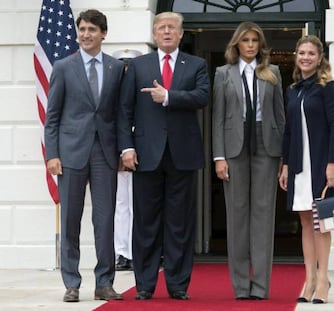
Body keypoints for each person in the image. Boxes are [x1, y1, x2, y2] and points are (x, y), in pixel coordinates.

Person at [117, 12, 210, 300]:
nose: (167, 32)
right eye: (161, 28)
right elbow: (124, 110)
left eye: (172, 28)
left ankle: (178, 284)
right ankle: (144, 284)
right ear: (154, 34)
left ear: (181, 34)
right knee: (145, 222)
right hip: (146, 155)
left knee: (179, 224)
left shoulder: (196, 64)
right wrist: (127, 147)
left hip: (182, 154)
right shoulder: (138, 65)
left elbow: (203, 96)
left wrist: (169, 96)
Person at [44, 9, 125, 302]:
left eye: (92, 29)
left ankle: (104, 282)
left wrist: (123, 149)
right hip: (70, 155)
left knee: (105, 222)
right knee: (70, 220)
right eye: (82, 29)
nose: (86, 34)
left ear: (103, 33)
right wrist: (52, 155)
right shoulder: (64, 67)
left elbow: (119, 113)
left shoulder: (117, 68)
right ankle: (72, 283)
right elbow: (51, 118)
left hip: (104, 153)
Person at [212, 21, 285, 300]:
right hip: (234, 146)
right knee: (237, 215)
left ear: (260, 44)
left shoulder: (273, 72)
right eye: (246, 40)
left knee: (264, 216)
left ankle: (261, 286)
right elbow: (217, 117)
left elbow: (280, 118)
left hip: (266, 146)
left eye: (255, 40)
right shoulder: (223, 73)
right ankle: (241, 286)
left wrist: (283, 158)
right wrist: (219, 156)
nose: (251, 45)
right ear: (237, 44)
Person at [278, 35, 334, 304]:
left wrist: (332, 163)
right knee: (305, 221)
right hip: (297, 164)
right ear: (296, 56)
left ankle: (323, 280)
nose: (305, 57)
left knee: (322, 222)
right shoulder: (293, 89)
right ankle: (310, 280)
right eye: (301, 52)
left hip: (319, 162)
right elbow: (289, 129)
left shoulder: (328, 87)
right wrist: (284, 164)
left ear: (319, 58)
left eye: (311, 54)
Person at [112, 49, 142, 271]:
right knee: (122, 205)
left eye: (130, 65)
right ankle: (123, 252)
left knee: (142, 205)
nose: (126, 69)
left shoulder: (143, 87)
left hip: (143, 152)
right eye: (123, 65)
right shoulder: (111, 90)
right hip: (120, 152)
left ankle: (140, 250)